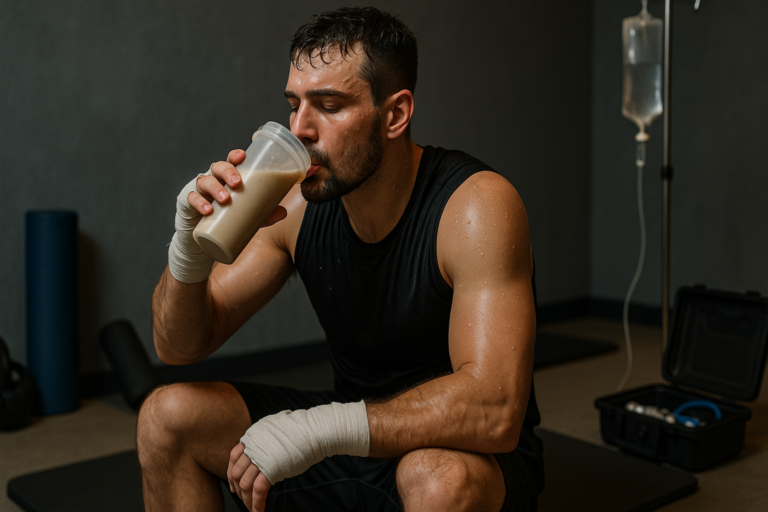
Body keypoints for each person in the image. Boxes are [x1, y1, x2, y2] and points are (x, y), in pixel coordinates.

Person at [138, 6, 544, 512]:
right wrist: (188, 253)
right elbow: (178, 346)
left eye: (328, 105)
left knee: (435, 478)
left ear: (394, 115)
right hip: (350, 438)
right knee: (166, 415)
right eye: (294, 104)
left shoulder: (476, 206)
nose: (300, 129)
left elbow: (496, 410)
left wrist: (321, 428)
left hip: (463, 453)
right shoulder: (295, 208)